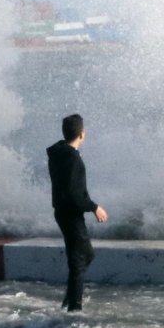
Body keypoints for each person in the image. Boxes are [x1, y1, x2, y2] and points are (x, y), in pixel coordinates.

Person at [46, 113, 108, 311]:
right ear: (82, 134)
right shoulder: (72, 158)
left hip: (63, 212)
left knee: (86, 254)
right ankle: (75, 308)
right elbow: (74, 193)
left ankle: (70, 297)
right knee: (80, 259)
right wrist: (94, 207)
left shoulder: (59, 153)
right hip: (70, 214)